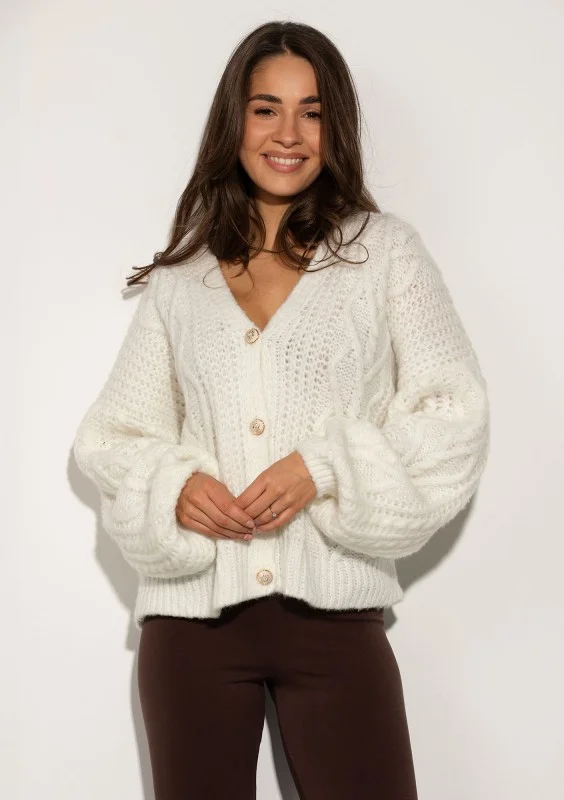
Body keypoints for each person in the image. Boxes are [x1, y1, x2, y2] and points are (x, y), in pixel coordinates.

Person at [72, 20, 490, 800]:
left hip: (334, 619)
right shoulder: (182, 281)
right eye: (266, 109)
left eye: (313, 112)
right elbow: (112, 437)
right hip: (190, 628)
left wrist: (323, 467)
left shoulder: (385, 253)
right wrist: (174, 486)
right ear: (236, 122)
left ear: (338, 129)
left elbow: (452, 413)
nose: (289, 133)